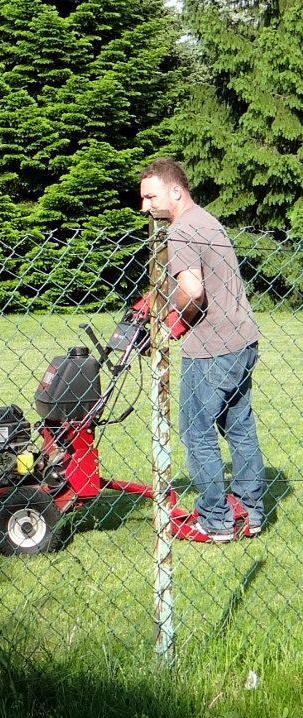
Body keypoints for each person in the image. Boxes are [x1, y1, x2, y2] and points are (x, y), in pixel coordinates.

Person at [138, 158, 266, 542]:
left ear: (175, 190)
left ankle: (215, 520)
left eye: (150, 197)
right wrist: (161, 302)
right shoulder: (208, 221)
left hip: (211, 348)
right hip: (242, 340)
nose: (145, 207)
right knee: (239, 427)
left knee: (196, 432)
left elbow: (193, 291)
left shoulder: (181, 230)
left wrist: (167, 319)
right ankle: (252, 512)